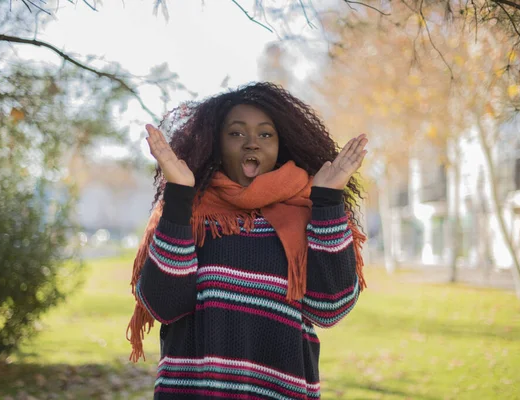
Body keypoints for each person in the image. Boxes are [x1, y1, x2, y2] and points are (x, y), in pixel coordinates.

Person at [126, 82, 368, 399]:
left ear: (282, 145)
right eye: (237, 133)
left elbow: (330, 309)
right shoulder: (189, 214)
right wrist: (180, 198)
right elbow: (163, 306)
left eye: (265, 134)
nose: (252, 143)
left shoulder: (310, 213)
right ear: (216, 143)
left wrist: (326, 200)